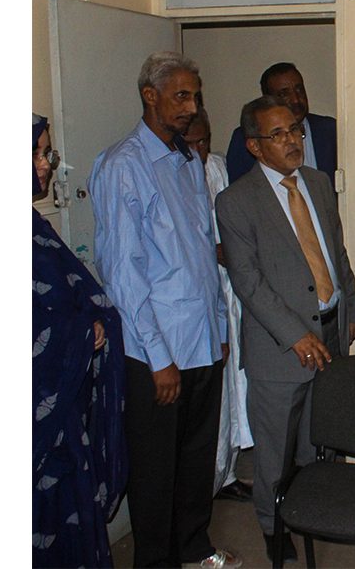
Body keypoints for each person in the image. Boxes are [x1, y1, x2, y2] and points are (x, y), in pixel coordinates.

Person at [88, 52, 242, 569]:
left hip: (201, 340)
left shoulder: (186, 160)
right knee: (156, 471)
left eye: (195, 96)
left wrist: (219, 329)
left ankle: (195, 548)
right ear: (149, 96)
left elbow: (199, 254)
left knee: (196, 461)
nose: (191, 106)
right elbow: (123, 273)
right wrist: (159, 359)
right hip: (157, 352)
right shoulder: (123, 165)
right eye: (181, 95)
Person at [214, 95, 355, 563]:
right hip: (280, 348)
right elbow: (248, 281)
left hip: (331, 331)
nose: (292, 140)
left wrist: (351, 306)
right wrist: (295, 335)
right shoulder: (236, 202)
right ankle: (271, 526)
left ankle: (316, 512)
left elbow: (336, 252)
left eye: (295, 130)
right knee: (275, 450)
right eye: (277, 135)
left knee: (321, 439)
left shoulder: (317, 183)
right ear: (255, 146)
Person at [32, 114, 127, 568]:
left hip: (61, 412)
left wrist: (91, 320)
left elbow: (69, 293)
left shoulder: (33, 225)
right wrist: (80, 333)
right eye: (36, 153)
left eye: (46, 152)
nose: (46, 164)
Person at [183, 110, 255, 502]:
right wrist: (212, 251)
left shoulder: (218, 167)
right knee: (212, 395)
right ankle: (206, 481)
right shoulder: (172, 173)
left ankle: (226, 473)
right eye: (191, 143)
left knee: (232, 385)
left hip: (228, 292)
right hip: (197, 298)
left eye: (205, 141)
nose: (199, 150)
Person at [224, 62, 337, 184]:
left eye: (299, 90)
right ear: (268, 100)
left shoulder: (329, 129)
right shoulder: (246, 137)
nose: (296, 100)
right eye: (284, 94)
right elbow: (240, 188)